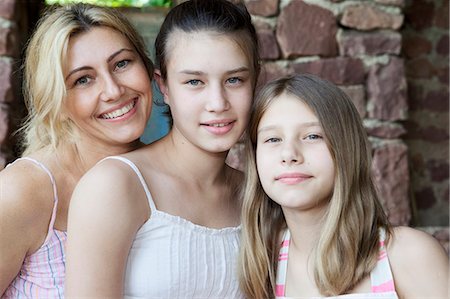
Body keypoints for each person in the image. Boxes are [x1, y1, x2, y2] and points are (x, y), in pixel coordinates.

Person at [65, 0, 260, 298]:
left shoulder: (257, 195)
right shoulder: (115, 185)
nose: (218, 103)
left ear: (255, 80)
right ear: (164, 86)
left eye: (234, 80)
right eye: (194, 81)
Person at [238, 74, 449, 299]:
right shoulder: (265, 267)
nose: (289, 154)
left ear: (346, 148)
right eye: (272, 139)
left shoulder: (407, 254)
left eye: (312, 136)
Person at [0, 4, 154, 298]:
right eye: (83, 79)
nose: (113, 90)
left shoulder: (170, 178)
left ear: (147, 68)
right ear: (56, 103)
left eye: (122, 63)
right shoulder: (23, 192)